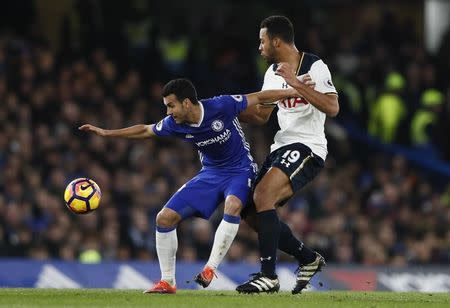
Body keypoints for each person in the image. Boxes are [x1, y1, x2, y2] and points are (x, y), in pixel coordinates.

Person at [79, 78, 299, 294]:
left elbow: (259, 97)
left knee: (232, 205)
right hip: (210, 175)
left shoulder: (221, 105)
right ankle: (167, 282)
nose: (168, 112)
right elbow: (145, 130)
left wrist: (292, 91)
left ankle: (210, 268)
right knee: (163, 218)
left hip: (240, 171)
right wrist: (107, 133)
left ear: (186, 102)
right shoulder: (175, 124)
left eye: (170, 106)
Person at [236, 15, 339, 294]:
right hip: (281, 146)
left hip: (308, 146)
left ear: (276, 41)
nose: (260, 47)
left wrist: (296, 83)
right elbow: (262, 115)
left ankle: (268, 276)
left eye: (262, 40)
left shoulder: (314, 65)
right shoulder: (272, 73)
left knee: (263, 195)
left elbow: (332, 107)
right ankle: (307, 258)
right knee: (251, 213)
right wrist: (231, 111)